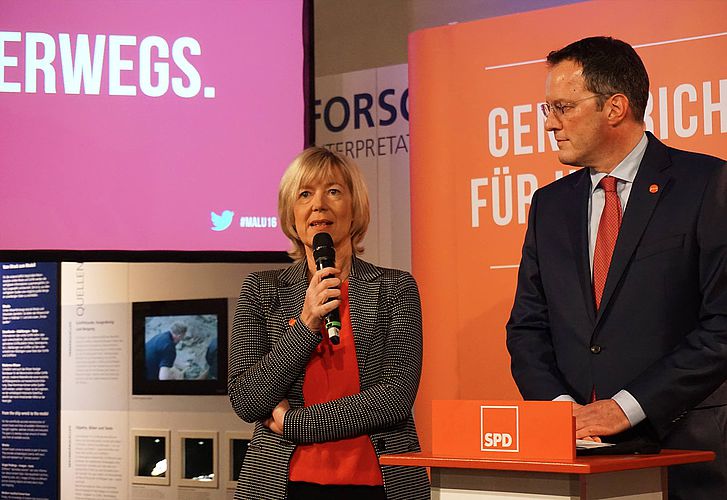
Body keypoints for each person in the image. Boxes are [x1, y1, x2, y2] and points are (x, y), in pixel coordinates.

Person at [506, 36, 727, 500]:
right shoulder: (550, 205)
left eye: (563, 107)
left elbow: (722, 325)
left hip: (689, 453)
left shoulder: (707, 184)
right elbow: (527, 327)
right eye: (548, 109)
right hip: (576, 459)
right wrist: (561, 412)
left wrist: (627, 407)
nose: (550, 123)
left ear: (615, 107)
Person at [228, 147, 430, 500]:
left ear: (355, 208)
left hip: (377, 483)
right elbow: (247, 399)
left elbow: (394, 398)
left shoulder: (395, 288)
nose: (318, 205)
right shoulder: (262, 289)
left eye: (333, 191)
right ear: (291, 214)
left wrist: (295, 424)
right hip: (282, 485)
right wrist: (306, 322)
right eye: (305, 194)